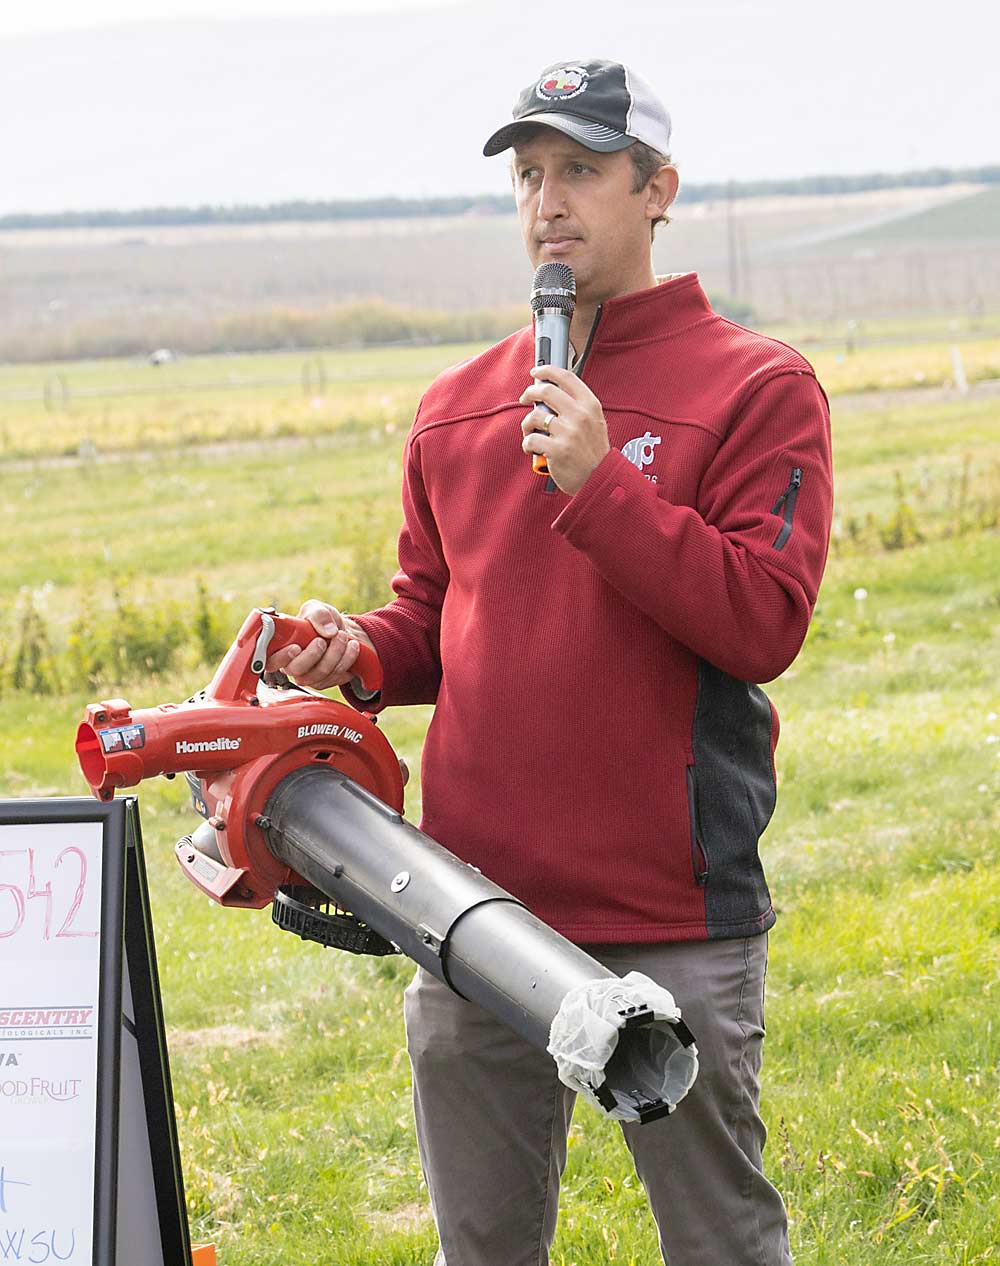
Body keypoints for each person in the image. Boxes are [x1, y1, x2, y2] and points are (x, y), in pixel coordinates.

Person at [268, 58, 833, 1266]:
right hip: (472, 913)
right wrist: (354, 649)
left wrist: (601, 488)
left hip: (666, 910)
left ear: (658, 189)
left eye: (581, 169)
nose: (548, 201)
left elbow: (762, 624)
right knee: (478, 1249)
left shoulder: (754, 386)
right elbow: (434, 618)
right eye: (529, 175)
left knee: (720, 1239)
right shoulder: (459, 408)